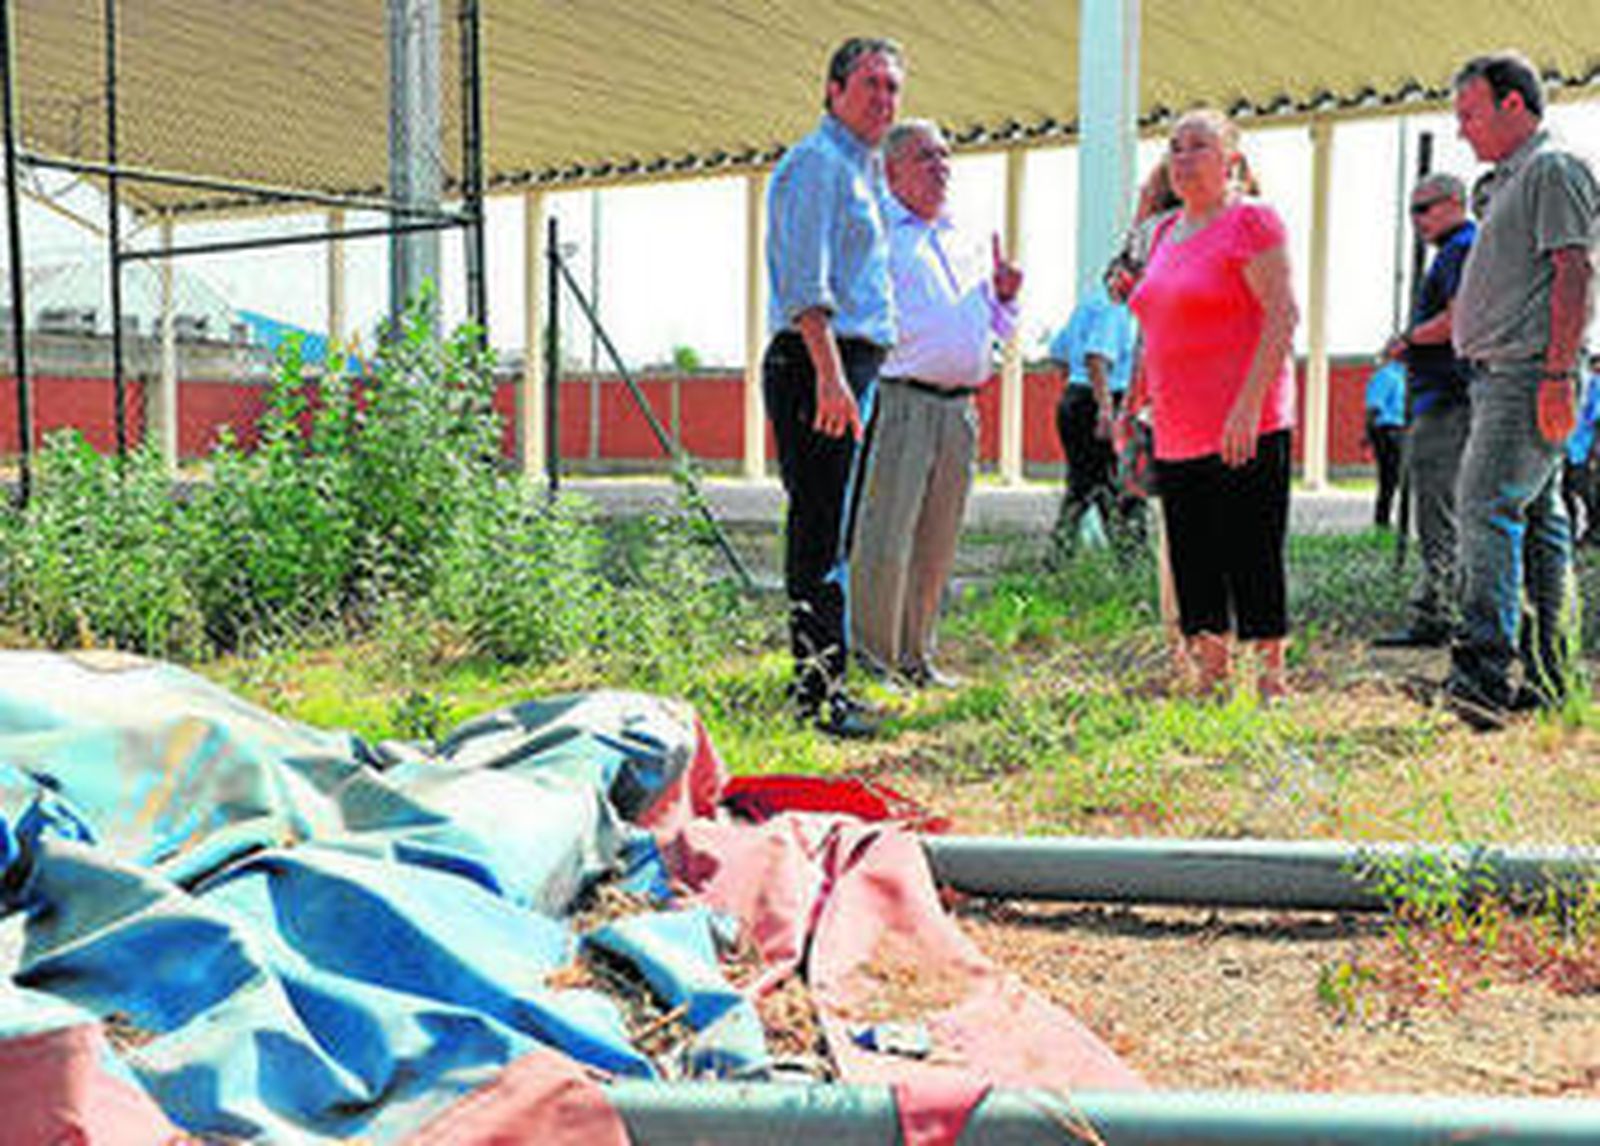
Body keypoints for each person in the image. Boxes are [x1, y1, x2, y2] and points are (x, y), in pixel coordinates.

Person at [1445, 50, 1596, 726]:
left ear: (1514, 104)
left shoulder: (1552, 168)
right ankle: (1551, 676)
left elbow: (1575, 272)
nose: (1461, 130)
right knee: (1537, 522)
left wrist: (1560, 374)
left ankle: (1482, 676)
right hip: (1505, 374)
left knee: (1485, 508)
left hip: (1529, 372)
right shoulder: (1505, 181)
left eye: (1470, 113)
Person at [1126, 108, 1299, 698]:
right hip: (1176, 423)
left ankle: (1271, 677)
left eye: (1198, 146)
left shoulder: (1252, 221)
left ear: (1231, 159)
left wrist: (1248, 408)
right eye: (1174, 148)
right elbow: (1153, 324)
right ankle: (1211, 671)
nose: (1183, 158)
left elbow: (1283, 316)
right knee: (1194, 551)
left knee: (1251, 547)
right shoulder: (1163, 233)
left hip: (1244, 421)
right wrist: (1132, 403)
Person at [763, 37, 904, 737]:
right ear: (833, 90)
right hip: (820, 363)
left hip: (852, 365)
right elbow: (804, 284)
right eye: (871, 84)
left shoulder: (863, 171)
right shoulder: (817, 165)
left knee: (836, 533)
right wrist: (829, 377)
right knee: (819, 532)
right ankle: (816, 698)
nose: (884, 98)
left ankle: (831, 685)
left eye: (892, 88)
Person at [848, 121, 1021, 687]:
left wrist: (1005, 300)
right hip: (902, 402)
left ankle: (917, 658)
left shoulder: (965, 235)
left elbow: (991, 327)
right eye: (926, 157)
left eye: (945, 157)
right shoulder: (875, 234)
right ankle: (874, 661)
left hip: (959, 410)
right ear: (891, 170)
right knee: (886, 537)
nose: (941, 167)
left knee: (936, 542)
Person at [1373, 173, 1478, 647]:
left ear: (1455, 203)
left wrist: (1408, 339)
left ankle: (1441, 615)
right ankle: (1447, 608)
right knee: (1443, 510)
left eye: (1425, 208)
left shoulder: (1459, 249)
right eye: (1413, 210)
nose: (1416, 220)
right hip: (1449, 399)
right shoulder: (1458, 248)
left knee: (1438, 512)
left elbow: (1459, 320)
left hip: (1447, 401)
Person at [1048, 285, 1141, 555]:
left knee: (1083, 484)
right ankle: (1131, 558)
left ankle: (1059, 556)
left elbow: (1058, 354)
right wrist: (1105, 409)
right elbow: (1097, 358)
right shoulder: (1114, 309)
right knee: (1121, 484)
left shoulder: (1089, 305)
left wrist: (1076, 391)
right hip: (1103, 400)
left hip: (1077, 399)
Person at [1363, 358, 1407, 529]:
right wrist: (1368, 434)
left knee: (1399, 480)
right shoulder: (1386, 375)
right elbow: (1374, 408)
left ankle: (1397, 523)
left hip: (1402, 430)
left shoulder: (1404, 376)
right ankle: (1382, 522)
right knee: (1389, 480)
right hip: (1389, 431)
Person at [1563, 353, 1600, 544]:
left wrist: (1594, 452)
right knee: (1566, 494)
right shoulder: (1584, 381)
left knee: (1587, 494)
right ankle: (1570, 535)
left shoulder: (1595, 384)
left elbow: (1596, 420)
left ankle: (1593, 532)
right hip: (1568, 448)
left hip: (1581, 450)